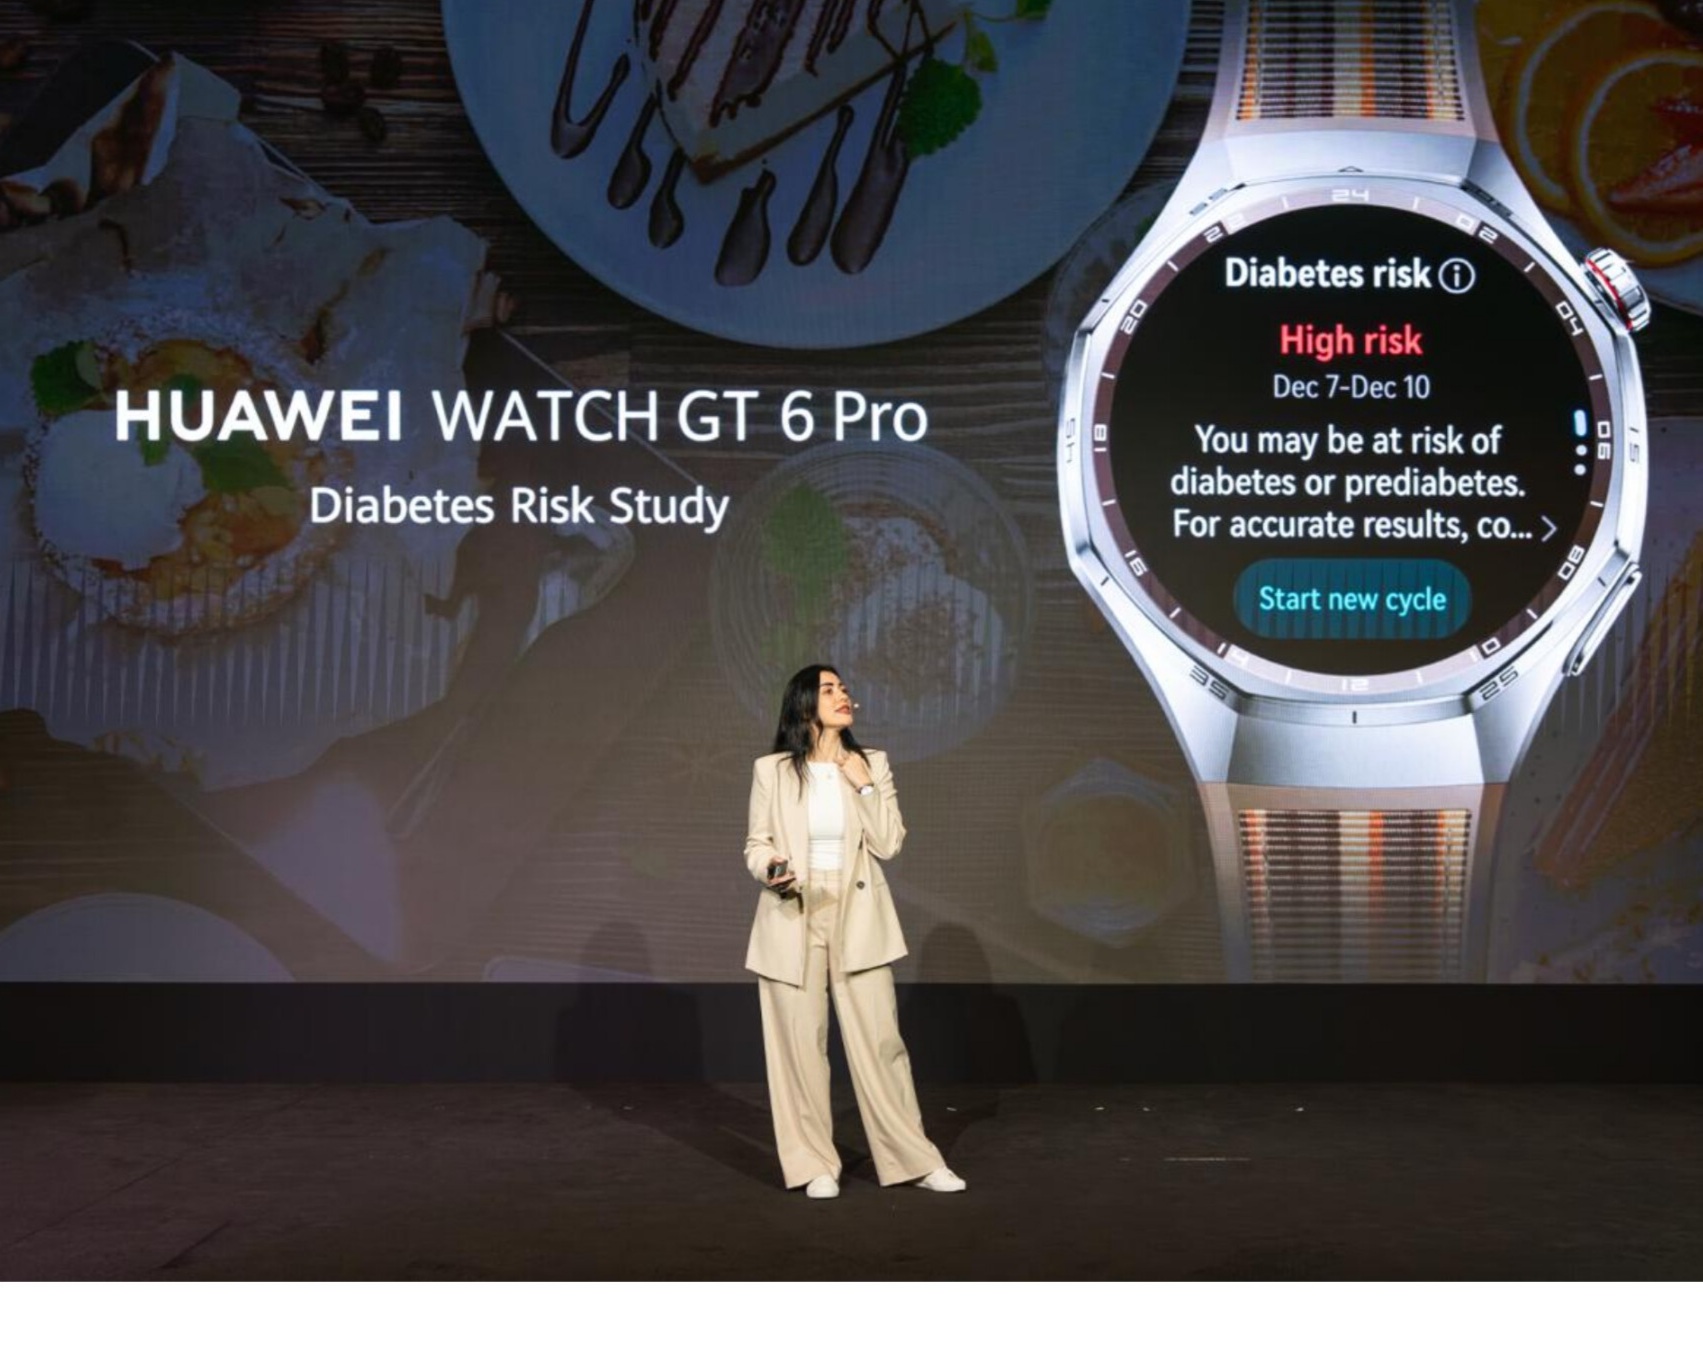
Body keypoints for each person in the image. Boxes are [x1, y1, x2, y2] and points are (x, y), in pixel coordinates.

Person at [742, 664, 966, 1199]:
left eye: (844, 689)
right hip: (793, 911)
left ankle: (913, 1159)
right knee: (800, 1047)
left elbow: (889, 843)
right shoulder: (772, 770)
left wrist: (862, 783)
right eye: (829, 690)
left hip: (856, 911)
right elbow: (756, 843)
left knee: (881, 1043)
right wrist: (772, 868)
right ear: (804, 704)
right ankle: (813, 1164)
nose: (843, 696)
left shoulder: (871, 762)